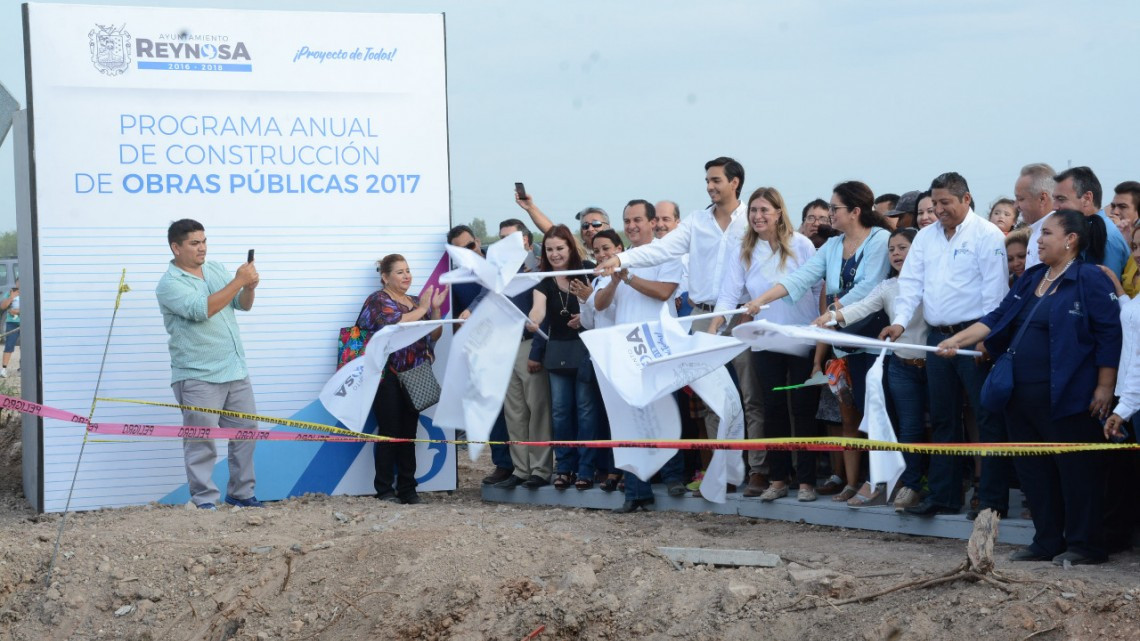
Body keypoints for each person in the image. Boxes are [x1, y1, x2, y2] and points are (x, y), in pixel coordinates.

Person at [938, 210, 1120, 565]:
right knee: (1034, 471)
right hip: (1019, 396)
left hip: (1068, 395)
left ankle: (1084, 544)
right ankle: (1047, 539)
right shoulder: (1032, 277)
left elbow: (1109, 335)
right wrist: (957, 340)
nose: (1038, 241)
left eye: (1047, 234)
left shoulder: (1089, 278)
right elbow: (996, 319)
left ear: (1071, 239)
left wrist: (1104, 386)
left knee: (1076, 473)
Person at [595, 157, 763, 497]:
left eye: (716, 180)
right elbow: (660, 251)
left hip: (744, 316)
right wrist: (621, 259)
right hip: (701, 318)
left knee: (751, 397)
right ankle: (723, 472)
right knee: (712, 400)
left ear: (735, 182)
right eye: (707, 180)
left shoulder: (753, 220)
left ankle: (758, 471)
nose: (710, 186)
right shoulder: (696, 222)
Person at [742, 181, 891, 504]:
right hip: (842, 344)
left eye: (834, 208)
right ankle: (854, 482)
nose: (829, 214)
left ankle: (879, 482)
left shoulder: (880, 240)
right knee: (850, 417)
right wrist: (760, 301)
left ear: (854, 211)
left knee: (874, 414)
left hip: (873, 341)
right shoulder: (834, 246)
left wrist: (831, 313)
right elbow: (800, 278)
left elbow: (868, 288)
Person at [882, 172, 1009, 518]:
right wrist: (899, 321)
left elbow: (995, 294)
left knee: (985, 416)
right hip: (937, 338)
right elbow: (910, 285)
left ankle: (991, 497)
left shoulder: (988, 234)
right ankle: (944, 495)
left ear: (966, 199)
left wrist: (985, 338)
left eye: (945, 203)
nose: (938, 210)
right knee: (942, 418)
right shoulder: (925, 238)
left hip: (975, 338)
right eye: (934, 203)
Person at [710, 187, 819, 502]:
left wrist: (816, 327)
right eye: (753, 211)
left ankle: (808, 481)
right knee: (772, 409)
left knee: (802, 409)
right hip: (764, 341)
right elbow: (729, 295)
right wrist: (717, 325)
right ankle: (778, 478)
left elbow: (816, 287)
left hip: (801, 338)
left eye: (764, 210)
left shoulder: (802, 244)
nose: (757, 216)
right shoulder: (743, 249)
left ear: (778, 213)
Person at [812, 227, 926, 511]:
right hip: (901, 365)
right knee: (908, 427)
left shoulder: (932, 281)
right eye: (892, 249)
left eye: (903, 248)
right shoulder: (887, 287)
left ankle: (929, 485)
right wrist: (831, 317)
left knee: (942, 426)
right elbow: (861, 307)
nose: (897, 254)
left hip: (934, 364)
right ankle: (905, 484)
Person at [155, 219, 262, 510]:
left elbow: (242, 304)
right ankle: (204, 501)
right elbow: (203, 310)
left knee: (246, 433)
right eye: (194, 243)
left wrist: (249, 287)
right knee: (201, 441)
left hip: (235, 369)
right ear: (176, 247)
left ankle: (241, 493)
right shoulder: (169, 284)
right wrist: (239, 281)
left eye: (203, 241)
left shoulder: (214, 268)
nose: (202, 247)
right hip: (198, 375)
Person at [593, 201, 686, 510]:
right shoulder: (618, 260)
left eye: (637, 220)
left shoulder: (667, 251)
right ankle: (636, 491)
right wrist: (617, 277)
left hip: (658, 346)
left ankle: (674, 477)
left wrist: (628, 275)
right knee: (630, 421)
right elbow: (601, 305)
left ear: (651, 222)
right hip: (625, 349)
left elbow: (664, 292)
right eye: (626, 221)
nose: (631, 225)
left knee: (663, 411)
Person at [357, 254, 446, 504]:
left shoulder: (416, 301)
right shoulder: (377, 300)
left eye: (408, 270)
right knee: (389, 431)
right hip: (387, 376)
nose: (406, 276)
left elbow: (434, 334)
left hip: (415, 373)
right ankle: (384, 489)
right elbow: (393, 323)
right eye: (399, 272)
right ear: (385, 277)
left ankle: (408, 487)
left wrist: (435, 309)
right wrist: (421, 309)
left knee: (409, 431)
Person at [527, 224, 600, 490]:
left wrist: (587, 313)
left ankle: (586, 469)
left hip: (586, 350)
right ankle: (565, 467)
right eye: (549, 249)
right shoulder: (544, 281)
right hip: (557, 352)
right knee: (560, 412)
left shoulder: (588, 269)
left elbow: (600, 303)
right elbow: (537, 310)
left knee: (586, 411)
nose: (555, 254)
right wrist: (532, 322)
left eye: (560, 248)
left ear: (570, 247)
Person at [485, 220, 553, 490]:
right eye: (501, 238)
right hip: (504, 348)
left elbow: (542, 316)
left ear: (526, 241)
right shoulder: (498, 273)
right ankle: (521, 469)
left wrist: (537, 350)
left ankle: (540, 469)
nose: (504, 244)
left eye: (510, 239)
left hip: (528, 346)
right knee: (514, 412)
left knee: (537, 409)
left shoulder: (538, 270)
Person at [1051, 166, 1130, 277]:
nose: (1054, 207)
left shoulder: (1108, 237)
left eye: (1061, 199)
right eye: (1054, 199)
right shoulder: (1083, 231)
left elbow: (1107, 288)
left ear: (1087, 198)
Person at [514, 191, 609, 260]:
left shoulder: (620, 252)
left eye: (596, 224)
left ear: (608, 226)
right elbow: (551, 230)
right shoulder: (579, 250)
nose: (590, 229)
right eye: (585, 226)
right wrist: (530, 207)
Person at [1016, 163, 1056, 269]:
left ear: (1042, 199)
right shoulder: (1037, 230)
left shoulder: (1055, 233)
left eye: (1021, 199)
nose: (1016, 206)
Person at [0, 279, 19, 378]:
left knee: (27, 347)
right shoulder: (10, 292)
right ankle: (3, 369)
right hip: (12, 323)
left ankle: (23, 368)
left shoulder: (29, 291)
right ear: (16, 283)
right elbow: (3, 306)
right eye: (18, 282)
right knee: (9, 345)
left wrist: (18, 312)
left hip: (27, 323)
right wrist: (11, 297)